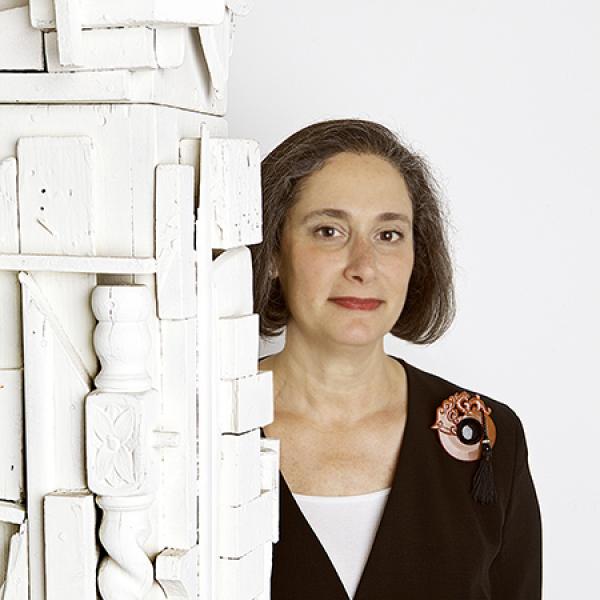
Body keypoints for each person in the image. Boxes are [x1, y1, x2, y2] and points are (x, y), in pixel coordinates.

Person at [252, 118, 542, 599]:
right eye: (328, 231)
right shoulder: (200, 428)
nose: (363, 266)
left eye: (388, 235)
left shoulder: (490, 436)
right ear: (275, 254)